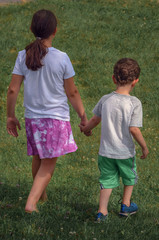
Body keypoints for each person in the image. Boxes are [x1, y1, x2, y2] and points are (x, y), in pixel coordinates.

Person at [7, 9, 88, 213]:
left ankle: (41, 195)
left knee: (39, 156)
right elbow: (72, 92)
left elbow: (12, 89)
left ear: (31, 29)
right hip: (55, 120)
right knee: (49, 163)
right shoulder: (61, 58)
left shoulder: (22, 56)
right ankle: (31, 203)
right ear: (55, 31)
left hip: (32, 119)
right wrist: (83, 116)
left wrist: (10, 116)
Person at [79, 58, 149, 222]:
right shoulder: (134, 103)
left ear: (113, 78)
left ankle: (102, 212)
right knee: (129, 177)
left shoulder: (106, 99)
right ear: (136, 81)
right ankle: (126, 205)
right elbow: (134, 129)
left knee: (107, 180)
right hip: (125, 153)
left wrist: (86, 129)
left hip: (106, 152)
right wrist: (144, 147)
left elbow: (95, 120)